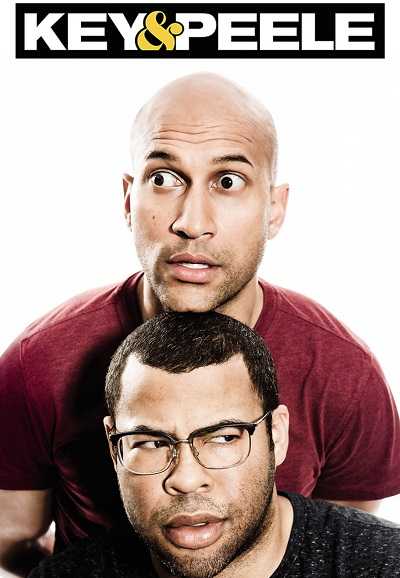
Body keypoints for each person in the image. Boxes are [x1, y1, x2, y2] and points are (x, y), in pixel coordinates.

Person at [1, 73, 399, 576]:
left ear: (274, 209)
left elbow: (336, 550)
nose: (192, 222)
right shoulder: (38, 364)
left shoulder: (343, 374)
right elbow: (12, 537)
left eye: (227, 181)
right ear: (128, 199)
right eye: (163, 179)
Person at [28, 312, 400, 578]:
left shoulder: (384, 564)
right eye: (152, 442)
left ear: (277, 435)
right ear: (114, 449)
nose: (186, 479)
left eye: (223, 438)